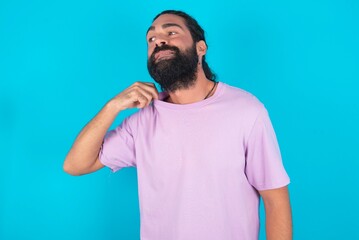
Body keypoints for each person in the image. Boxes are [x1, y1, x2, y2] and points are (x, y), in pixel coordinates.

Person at [64, 10, 292, 240]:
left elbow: (275, 201)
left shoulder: (246, 111)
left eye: (171, 32)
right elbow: (76, 164)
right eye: (151, 39)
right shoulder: (143, 120)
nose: (158, 40)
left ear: (200, 48)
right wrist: (112, 107)